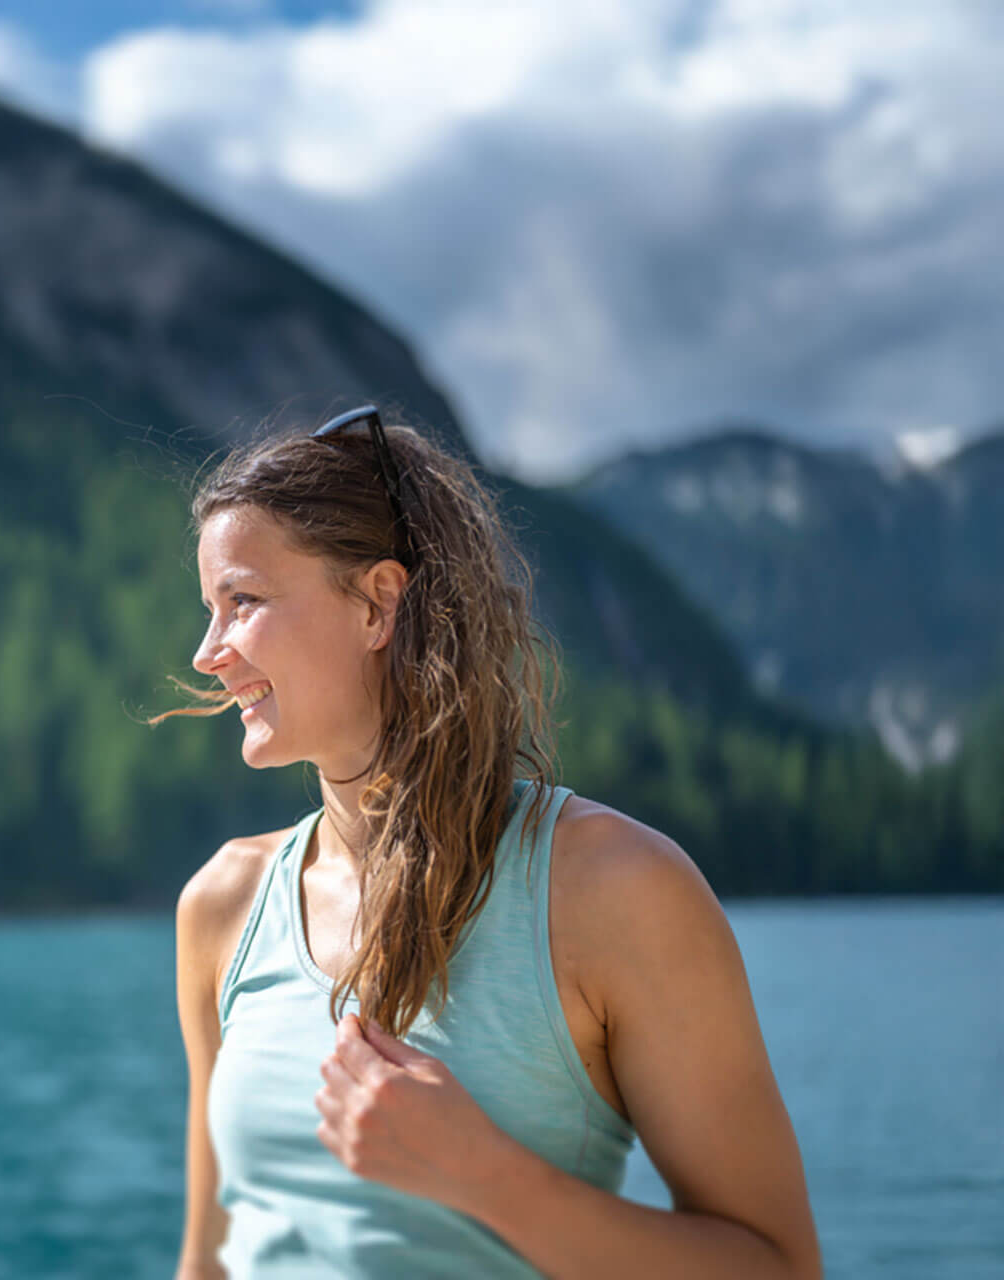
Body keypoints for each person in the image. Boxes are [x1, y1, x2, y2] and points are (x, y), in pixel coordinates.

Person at [158, 407, 821, 1278]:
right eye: (209, 611)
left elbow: (779, 1267)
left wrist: (486, 1178)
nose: (208, 653)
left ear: (377, 603)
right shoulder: (222, 907)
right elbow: (206, 1263)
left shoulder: (614, 888)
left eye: (241, 602)